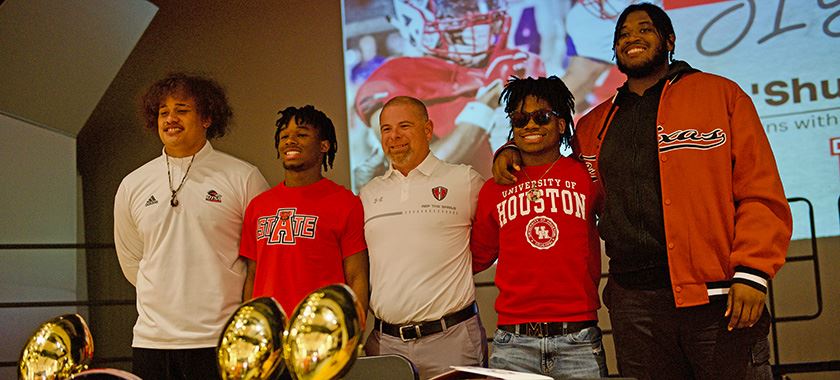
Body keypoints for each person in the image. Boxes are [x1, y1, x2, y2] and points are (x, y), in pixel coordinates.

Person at [493, 3, 792, 379]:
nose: (631, 37)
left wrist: (753, 272)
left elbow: (760, 189)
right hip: (635, 305)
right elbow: (564, 172)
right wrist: (513, 151)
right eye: (622, 34)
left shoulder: (721, 96)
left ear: (669, 40)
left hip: (717, 297)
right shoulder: (594, 123)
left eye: (645, 29)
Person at [114, 73, 270, 379]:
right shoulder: (133, 184)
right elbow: (132, 260)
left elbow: (262, 259)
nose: (171, 118)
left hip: (221, 338)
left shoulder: (243, 177)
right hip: (152, 341)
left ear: (208, 117)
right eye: (163, 112)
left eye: (182, 110)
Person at [471, 76, 607, 378]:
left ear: (561, 124)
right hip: (513, 343)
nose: (530, 125)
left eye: (541, 116)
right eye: (520, 119)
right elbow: (477, 257)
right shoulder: (494, 187)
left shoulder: (588, 176)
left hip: (579, 339)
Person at [350, 0, 546, 190]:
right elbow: (417, 169)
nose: (474, 16)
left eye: (477, 5)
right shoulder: (391, 79)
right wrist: (482, 111)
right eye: (455, 8)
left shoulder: (517, 63)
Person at [360, 96, 487, 379]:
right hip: (386, 345)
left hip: (452, 340)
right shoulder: (367, 194)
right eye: (386, 129)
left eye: (404, 126)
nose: (394, 137)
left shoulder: (464, 180)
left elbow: (492, 243)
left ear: (428, 130)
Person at [239, 105, 369, 316]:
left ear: (324, 145)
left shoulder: (345, 203)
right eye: (284, 136)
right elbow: (252, 276)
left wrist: (353, 333)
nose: (290, 141)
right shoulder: (258, 206)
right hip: (270, 334)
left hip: (321, 334)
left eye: (301, 135)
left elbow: (357, 277)